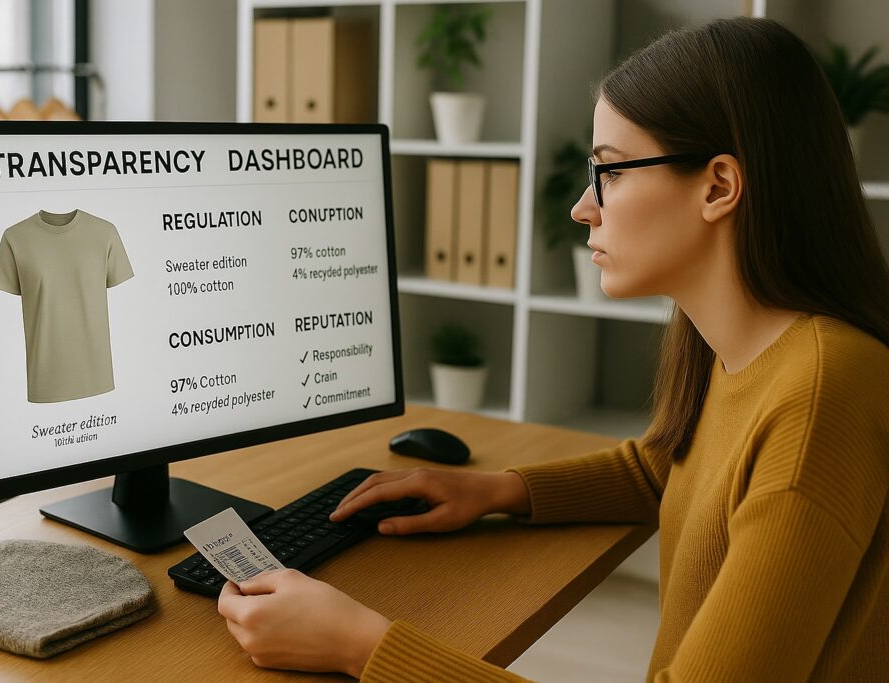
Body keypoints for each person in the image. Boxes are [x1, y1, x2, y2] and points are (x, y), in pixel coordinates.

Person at [217, 16, 889, 681]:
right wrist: (498, 489)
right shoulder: (747, 348)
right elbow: (673, 468)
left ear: (718, 186)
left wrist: (360, 646)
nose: (583, 206)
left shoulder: (821, 398)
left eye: (612, 173)